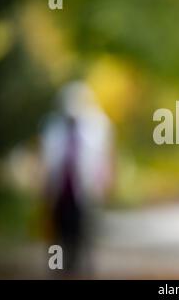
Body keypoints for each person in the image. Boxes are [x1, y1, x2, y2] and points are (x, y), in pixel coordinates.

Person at [41, 81, 114, 276]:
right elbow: (46, 159)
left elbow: (105, 158)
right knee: (58, 232)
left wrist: (104, 184)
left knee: (85, 231)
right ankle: (57, 268)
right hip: (60, 189)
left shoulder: (98, 126)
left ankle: (84, 270)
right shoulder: (53, 127)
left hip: (86, 188)